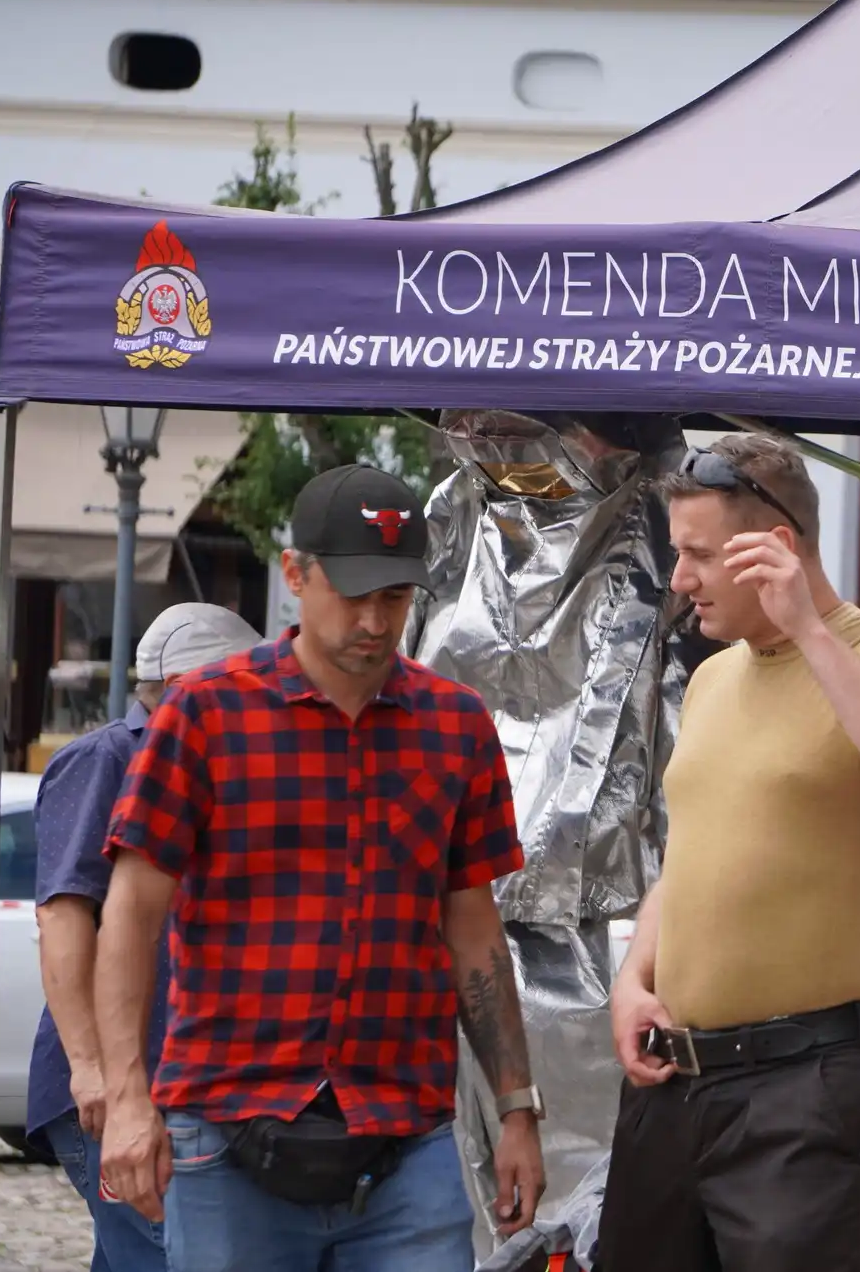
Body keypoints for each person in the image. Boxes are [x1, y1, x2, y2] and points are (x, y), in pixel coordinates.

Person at [92, 464, 548, 1272]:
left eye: (396, 597)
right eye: (354, 592)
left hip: (406, 1140)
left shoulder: (456, 727)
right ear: (296, 574)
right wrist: (127, 1097)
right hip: (227, 1128)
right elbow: (130, 911)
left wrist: (517, 1108)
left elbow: (474, 928)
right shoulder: (204, 712)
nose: (374, 620)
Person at [595, 433, 860, 1272]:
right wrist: (634, 980)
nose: (680, 578)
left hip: (806, 1084)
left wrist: (809, 628)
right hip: (673, 1080)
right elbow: (692, 856)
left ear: (776, 549)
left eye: (698, 554)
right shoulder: (713, 678)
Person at [28, 602, 263, 1272]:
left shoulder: (216, 766)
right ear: (188, 688)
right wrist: (91, 1069)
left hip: (184, 1087)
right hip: (115, 1090)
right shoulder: (107, 758)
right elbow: (63, 916)